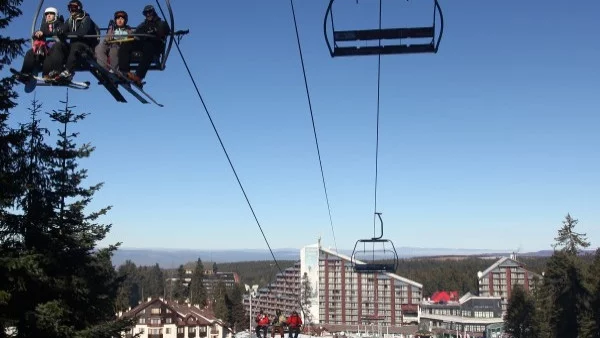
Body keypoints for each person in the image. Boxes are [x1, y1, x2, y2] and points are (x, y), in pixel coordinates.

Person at [43, 0, 99, 81]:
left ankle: (69, 71)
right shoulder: (69, 20)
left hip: (85, 47)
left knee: (76, 45)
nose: (71, 10)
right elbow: (62, 30)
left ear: (79, 8)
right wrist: (59, 32)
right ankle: (57, 70)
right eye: (69, 8)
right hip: (73, 47)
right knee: (58, 45)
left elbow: (82, 32)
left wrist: (66, 34)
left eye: (74, 8)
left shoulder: (86, 19)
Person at [117, 4, 170, 87]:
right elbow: (136, 33)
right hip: (143, 43)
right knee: (126, 43)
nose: (148, 14)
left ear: (153, 12)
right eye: (146, 13)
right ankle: (124, 71)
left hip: (155, 45)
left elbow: (166, 29)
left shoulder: (160, 23)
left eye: (149, 12)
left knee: (148, 47)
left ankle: (138, 76)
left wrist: (156, 31)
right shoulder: (143, 25)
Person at [17, 7, 64, 79]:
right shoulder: (43, 26)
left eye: (51, 14)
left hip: (56, 47)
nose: (48, 15)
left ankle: (50, 74)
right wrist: (36, 34)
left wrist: (44, 33)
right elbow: (37, 35)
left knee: (50, 53)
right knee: (30, 53)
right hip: (44, 48)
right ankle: (25, 73)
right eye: (47, 14)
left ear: (56, 15)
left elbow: (58, 32)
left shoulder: (59, 24)